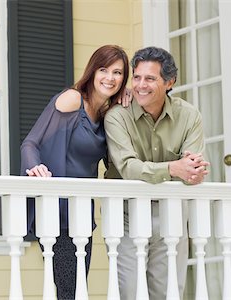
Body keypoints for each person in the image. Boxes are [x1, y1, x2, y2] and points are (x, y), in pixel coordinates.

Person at [20, 45, 130, 299]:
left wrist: (131, 95)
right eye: (104, 70)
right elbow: (30, 142)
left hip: (81, 211)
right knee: (69, 290)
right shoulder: (72, 100)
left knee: (77, 288)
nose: (110, 78)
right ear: (92, 71)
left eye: (118, 73)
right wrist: (34, 167)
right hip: (57, 210)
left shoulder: (106, 113)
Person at [104, 46, 210, 299]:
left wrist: (193, 173)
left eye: (150, 78)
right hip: (126, 213)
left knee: (169, 291)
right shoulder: (117, 116)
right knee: (129, 291)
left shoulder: (189, 115)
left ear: (169, 82)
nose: (141, 85)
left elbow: (192, 167)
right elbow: (128, 167)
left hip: (171, 211)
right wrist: (174, 169)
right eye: (137, 77)